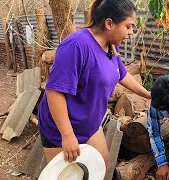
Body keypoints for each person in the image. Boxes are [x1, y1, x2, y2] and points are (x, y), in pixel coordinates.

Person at [38, 0, 151, 166]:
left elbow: (122, 74)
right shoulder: (76, 46)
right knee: (70, 175)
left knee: (101, 164)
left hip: (88, 123)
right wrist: (68, 136)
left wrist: (148, 94)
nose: (131, 32)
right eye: (128, 26)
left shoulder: (111, 45)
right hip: (62, 128)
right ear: (109, 23)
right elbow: (54, 92)